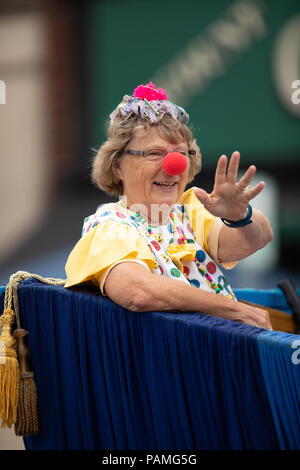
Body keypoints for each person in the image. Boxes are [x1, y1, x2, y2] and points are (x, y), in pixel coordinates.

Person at [65, 82, 273, 329]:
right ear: (118, 166)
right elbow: (136, 291)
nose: (173, 166)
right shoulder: (111, 225)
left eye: (181, 153)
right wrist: (233, 310)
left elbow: (258, 238)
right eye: (154, 153)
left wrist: (240, 216)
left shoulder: (189, 211)